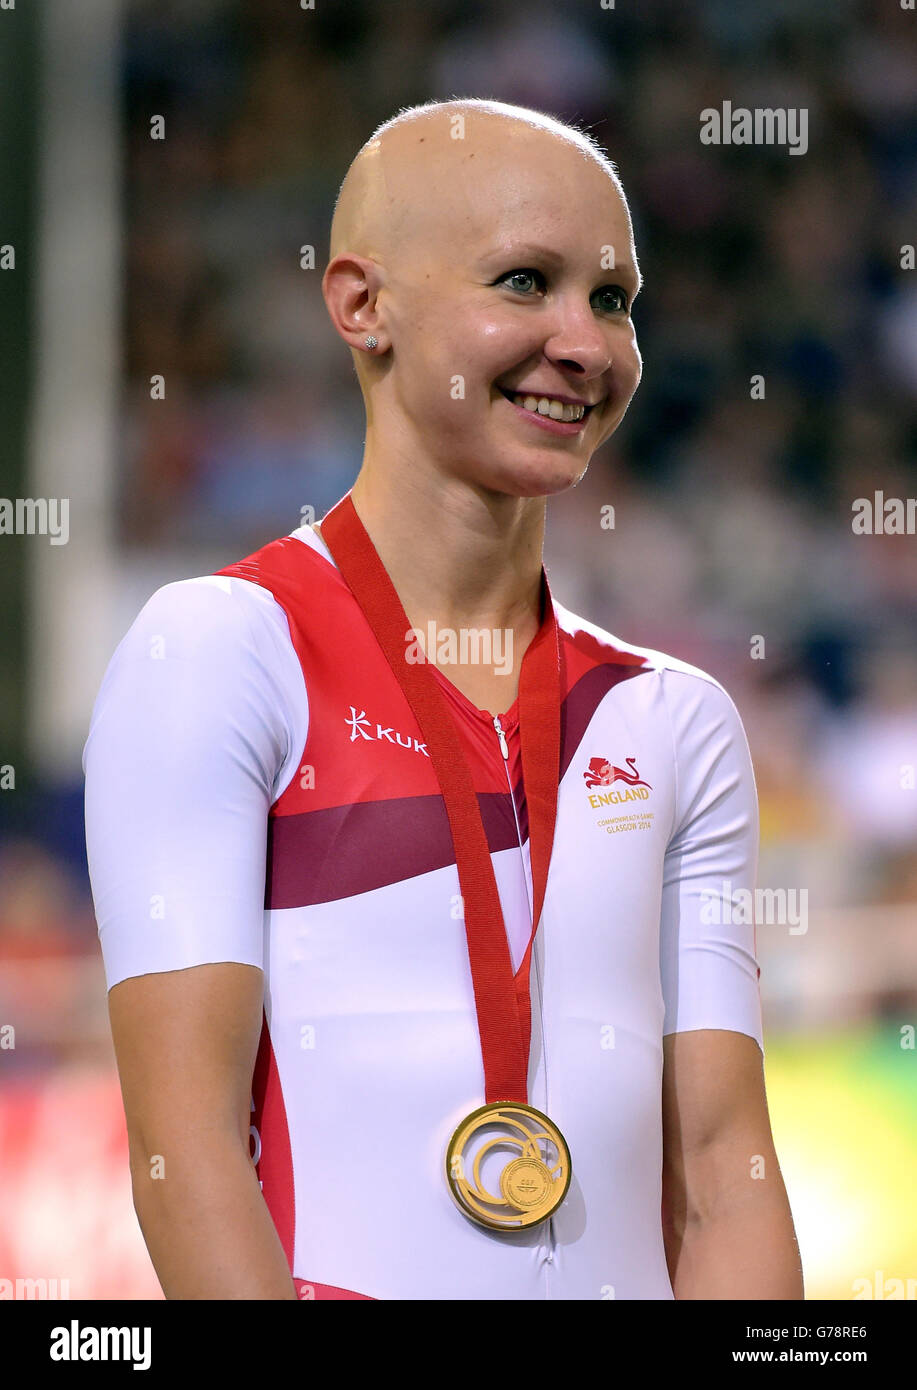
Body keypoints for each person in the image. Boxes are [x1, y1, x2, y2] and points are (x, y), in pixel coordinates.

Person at [83, 97, 803, 1299]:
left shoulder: (669, 720)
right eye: (523, 282)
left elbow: (725, 1171)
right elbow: (184, 1151)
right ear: (361, 304)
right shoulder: (220, 651)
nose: (584, 343)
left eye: (613, 299)